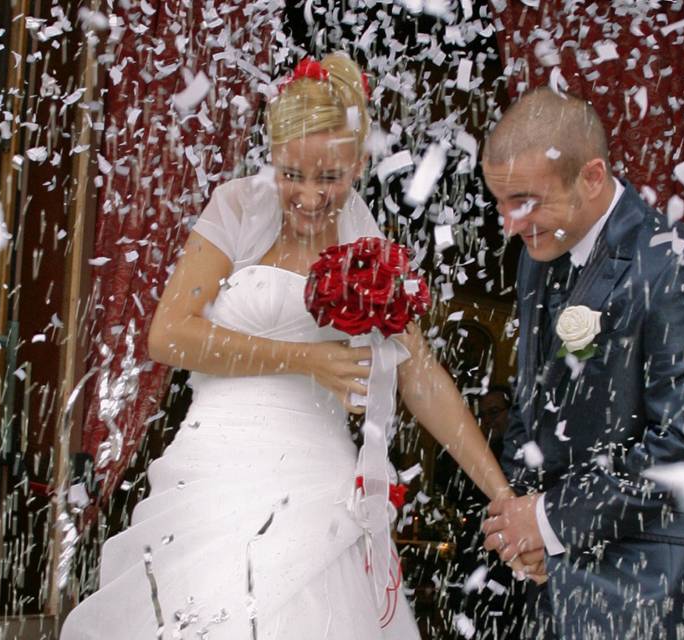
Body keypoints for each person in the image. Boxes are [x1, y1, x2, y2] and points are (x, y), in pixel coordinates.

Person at [60, 53, 517, 640]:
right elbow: (169, 335)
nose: (307, 196)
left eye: (329, 178)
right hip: (215, 473)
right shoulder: (236, 208)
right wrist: (307, 359)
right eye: (291, 174)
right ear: (273, 156)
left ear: (357, 162)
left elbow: (418, 375)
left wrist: (501, 492)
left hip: (321, 483)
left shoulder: (367, 241)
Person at [479, 88, 684, 639]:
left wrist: (548, 519)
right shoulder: (539, 257)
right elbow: (533, 408)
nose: (509, 224)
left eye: (525, 201)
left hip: (650, 587)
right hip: (557, 584)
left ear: (593, 177)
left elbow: (683, 448)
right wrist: (523, 524)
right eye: (501, 202)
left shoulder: (679, 266)